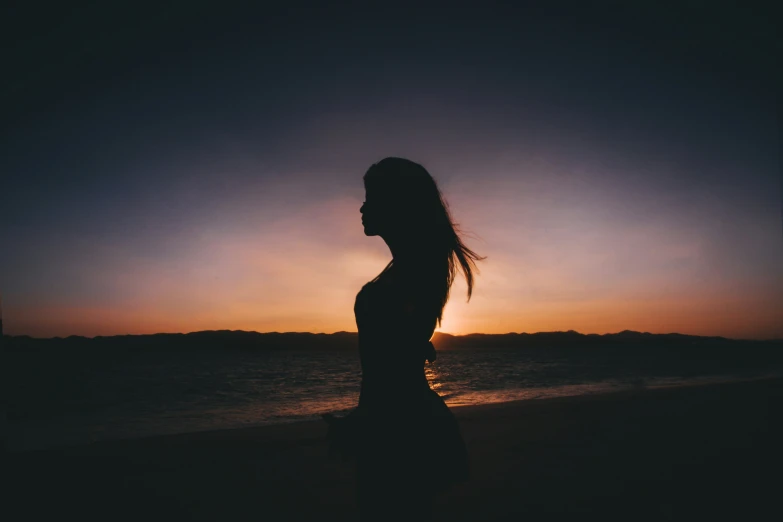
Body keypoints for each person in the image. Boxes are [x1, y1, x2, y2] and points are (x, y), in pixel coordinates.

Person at [323, 157, 484, 521]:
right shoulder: (414, 270)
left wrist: (365, 421)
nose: (362, 207)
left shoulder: (409, 275)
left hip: (396, 429)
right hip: (403, 419)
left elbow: (391, 368)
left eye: (371, 197)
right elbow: (400, 349)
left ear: (398, 203)